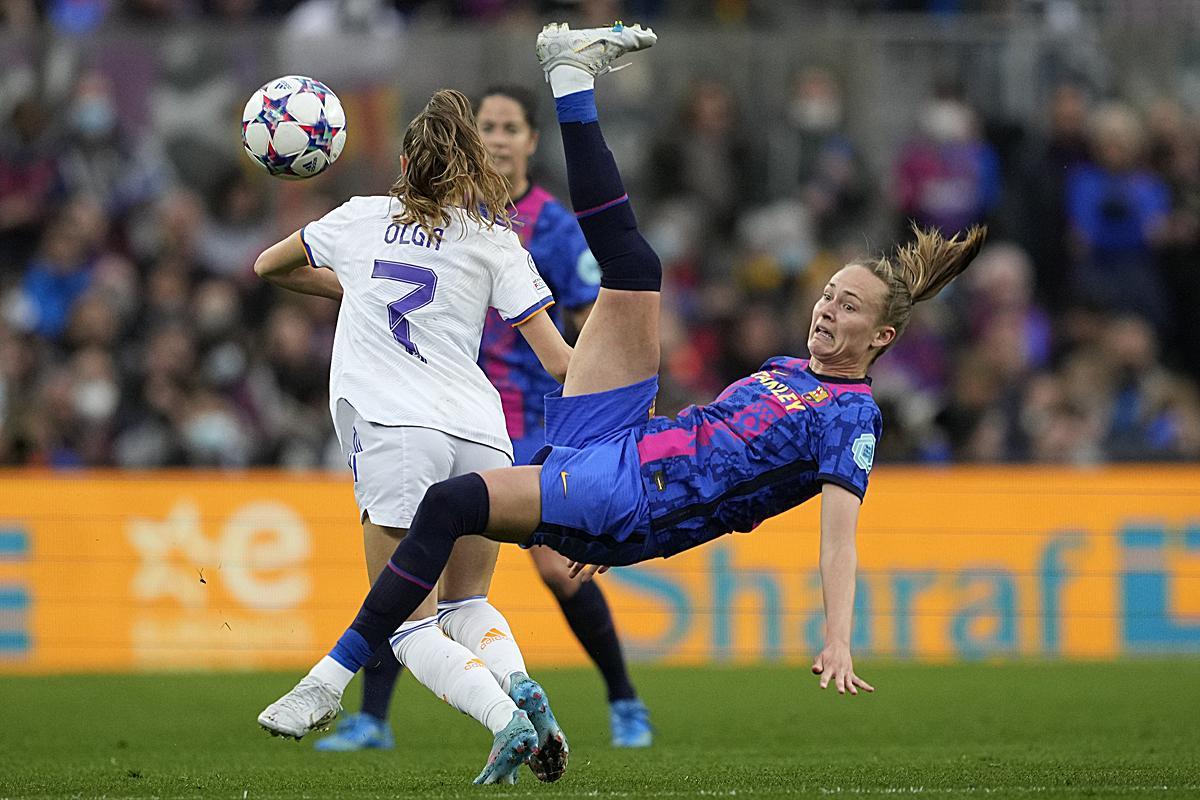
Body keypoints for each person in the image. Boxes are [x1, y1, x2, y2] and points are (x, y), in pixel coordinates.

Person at [258, 21, 987, 779]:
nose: (826, 310)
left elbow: (838, 538)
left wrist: (838, 635)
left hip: (634, 493)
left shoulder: (850, 417)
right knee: (635, 269)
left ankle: (328, 681)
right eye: (828, 294)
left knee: (447, 506)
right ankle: (571, 76)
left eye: (847, 308)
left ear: (885, 336)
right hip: (630, 446)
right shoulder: (790, 368)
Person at [313, 84, 653, 755]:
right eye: (487, 127)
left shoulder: (549, 226)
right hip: (435, 407)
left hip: (521, 418)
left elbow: (588, 324)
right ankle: (373, 718)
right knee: (416, 569)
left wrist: (607, 415)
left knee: (539, 570)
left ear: (530, 141)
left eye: (509, 127)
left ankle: (623, 700)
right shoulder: (432, 210)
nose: (497, 138)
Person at [253, 88, 575, 785]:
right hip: (484, 435)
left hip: (399, 432)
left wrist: (356, 286)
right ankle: (521, 687)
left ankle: (504, 720)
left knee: (409, 625)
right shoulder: (495, 238)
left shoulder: (359, 219)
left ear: (404, 161)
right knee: (469, 602)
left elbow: (267, 267)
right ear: (470, 169)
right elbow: (559, 361)